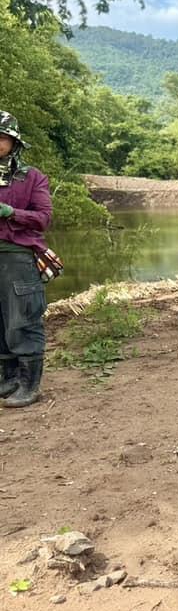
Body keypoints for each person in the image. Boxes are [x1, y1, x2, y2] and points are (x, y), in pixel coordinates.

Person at [0, 111, 52, 408]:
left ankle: (29, 384)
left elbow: (43, 218)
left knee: (23, 319)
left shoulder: (31, 177)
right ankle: (7, 380)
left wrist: (11, 212)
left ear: (13, 141)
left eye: (2, 137)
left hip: (18, 256)